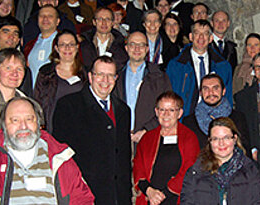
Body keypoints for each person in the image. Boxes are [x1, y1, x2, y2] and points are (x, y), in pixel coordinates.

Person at [0, 96, 95, 204]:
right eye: (15, 120)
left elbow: (82, 199)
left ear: (38, 123)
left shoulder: (60, 158)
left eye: (29, 119)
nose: (23, 126)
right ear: (4, 126)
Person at [53, 56, 132, 205]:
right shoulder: (68, 106)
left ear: (116, 78)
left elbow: (124, 160)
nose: (105, 80)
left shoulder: (123, 110)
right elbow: (62, 157)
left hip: (118, 196)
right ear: (90, 77)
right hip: (84, 193)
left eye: (110, 75)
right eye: (100, 74)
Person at [133, 91, 200, 205]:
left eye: (171, 110)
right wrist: (149, 191)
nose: (166, 114)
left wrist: (163, 194)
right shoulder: (147, 138)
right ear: (156, 112)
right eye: (162, 109)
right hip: (149, 198)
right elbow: (138, 167)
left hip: (177, 198)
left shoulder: (189, 138)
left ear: (180, 113)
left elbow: (190, 169)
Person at [181, 117, 260, 205]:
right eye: (215, 139)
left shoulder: (250, 170)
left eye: (226, 138)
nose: (221, 143)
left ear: (234, 139)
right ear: (209, 141)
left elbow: (259, 202)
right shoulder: (196, 171)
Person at [113, 31, 172, 144]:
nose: (137, 48)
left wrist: (147, 130)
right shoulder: (115, 75)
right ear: (126, 48)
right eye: (133, 44)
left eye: (141, 45)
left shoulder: (160, 76)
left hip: (148, 137)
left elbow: (168, 110)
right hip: (119, 137)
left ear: (146, 49)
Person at [166, 20, 232, 117]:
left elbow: (227, 97)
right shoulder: (175, 66)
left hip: (215, 119)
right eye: (197, 33)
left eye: (205, 34)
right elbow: (169, 98)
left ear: (210, 38)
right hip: (185, 118)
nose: (201, 37)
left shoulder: (223, 66)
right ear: (191, 37)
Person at [33, 30, 86, 133]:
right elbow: (37, 102)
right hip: (52, 128)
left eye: (71, 44)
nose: (67, 48)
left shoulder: (85, 74)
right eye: (62, 44)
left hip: (79, 128)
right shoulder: (45, 73)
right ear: (56, 48)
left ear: (77, 47)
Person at [183, 73, 249, 150]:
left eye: (215, 88)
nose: (210, 92)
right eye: (206, 89)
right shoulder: (189, 122)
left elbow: (245, 150)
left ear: (223, 91)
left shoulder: (238, 118)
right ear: (200, 93)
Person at [80, 7, 128, 71]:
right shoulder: (84, 45)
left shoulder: (121, 45)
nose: (104, 23)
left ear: (112, 23)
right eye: (100, 19)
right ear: (94, 22)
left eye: (108, 19)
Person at [24, 5, 60, 87]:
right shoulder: (29, 45)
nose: (45, 19)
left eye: (50, 16)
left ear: (57, 21)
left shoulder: (63, 44)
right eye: (42, 16)